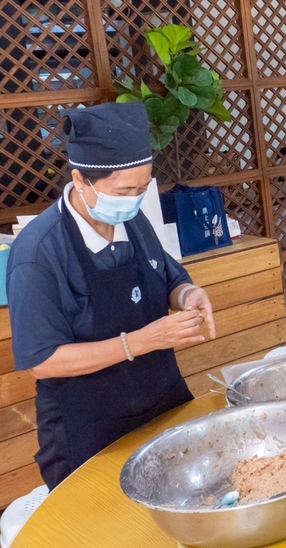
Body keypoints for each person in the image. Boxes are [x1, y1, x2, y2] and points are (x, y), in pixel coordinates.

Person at [6, 102, 216, 489]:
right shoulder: (38, 254)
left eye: (142, 188)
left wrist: (188, 294)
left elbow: (168, 278)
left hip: (160, 407)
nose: (134, 200)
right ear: (81, 181)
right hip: (89, 433)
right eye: (124, 191)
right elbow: (44, 361)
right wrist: (140, 341)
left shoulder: (132, 220)